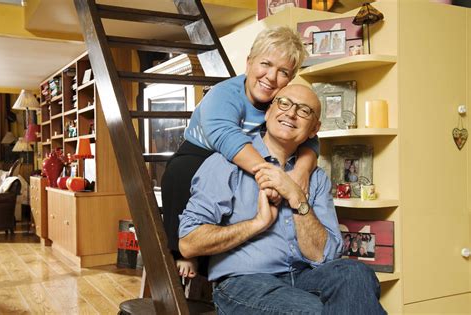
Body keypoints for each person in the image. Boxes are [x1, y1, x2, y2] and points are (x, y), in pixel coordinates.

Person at [179, 84, 385, 314]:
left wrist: (296, 196)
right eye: (284, 103)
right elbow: (189, 243)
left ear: (314, 129)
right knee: (316, 311)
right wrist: (257, 223)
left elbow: (323, 255)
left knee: (355, 273)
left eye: (304, 110)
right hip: (244, 283)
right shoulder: (225, 164)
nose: (291, 113)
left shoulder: (315, 178)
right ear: (268, 112)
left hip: (304, 276)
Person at [161, 26, 319, 279]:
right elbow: (228, 139)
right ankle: (182, 250)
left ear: (290, 79)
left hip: (248, 158)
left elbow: (309, 138)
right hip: (203, 152)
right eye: (265, 64)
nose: (271, 76)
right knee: (180, 173)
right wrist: (276, 178)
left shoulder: (282, 103)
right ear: (248, 63)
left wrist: (301, 172)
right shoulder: (223, 95)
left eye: (283, 72)